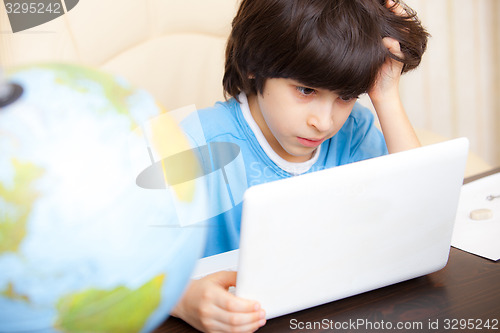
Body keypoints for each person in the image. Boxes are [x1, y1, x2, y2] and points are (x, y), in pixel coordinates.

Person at [171, 0, 429, 332]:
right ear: (254, 64)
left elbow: (419, 219)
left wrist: (387, 95)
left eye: (345, 97)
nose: (323, 122)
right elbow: (111, 266)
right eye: (305, 90)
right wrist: (182, 299)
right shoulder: (192, 144)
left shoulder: (355, 131)